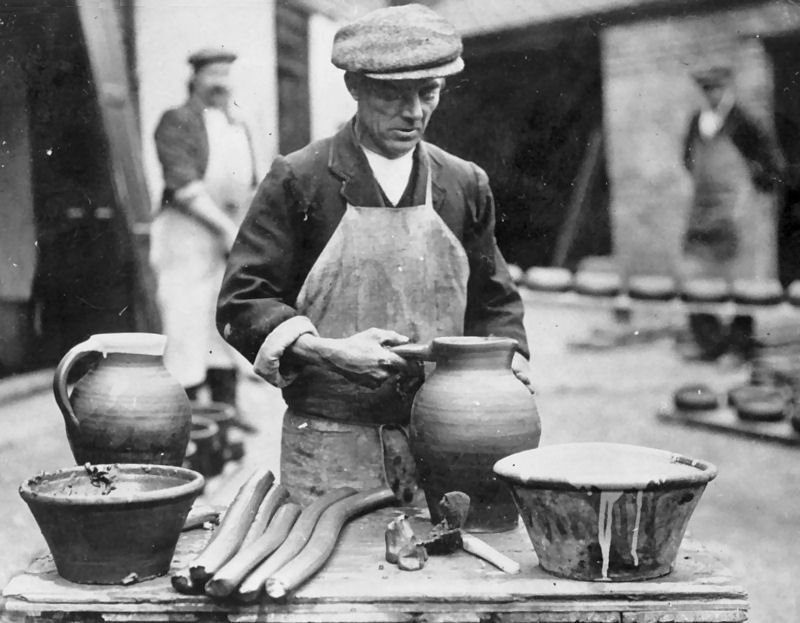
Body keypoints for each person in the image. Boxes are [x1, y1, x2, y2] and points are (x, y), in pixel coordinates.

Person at [217, 4, 531, 504]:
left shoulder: (464, 183)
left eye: (428, 93)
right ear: (355, 87)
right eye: (392, 93)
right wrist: (328, 352)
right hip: (329, 438)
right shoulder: (301, 179)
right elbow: (242, 302)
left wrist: (507, 366)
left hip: (448, 443)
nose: (414, 112)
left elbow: (495, 302)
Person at [152, 47, 259, 414]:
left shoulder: (237, 125)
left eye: (226, 75)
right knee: (186, 327)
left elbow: (250, 186)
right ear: (195, 78)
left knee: (222, 327)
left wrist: (240, 231)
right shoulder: (176, 120)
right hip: (187, 239)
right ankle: (189, 423)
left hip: (225, 240)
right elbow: (183, 188)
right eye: (212, 75)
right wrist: (226, 230)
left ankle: (226, 416)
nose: (220, 83)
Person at [680, 65, 784, 360]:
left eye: (716, 88)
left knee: (741, 282)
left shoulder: (743, 121)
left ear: (727, 88)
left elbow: (773, 163)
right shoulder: (696, 122)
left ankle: (739, 346)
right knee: (695, 277)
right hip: (701, 210)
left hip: (737, 212)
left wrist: (752, 188)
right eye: (706, 89)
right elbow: (686, 159)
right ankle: (709, 344)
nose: (711, 94)